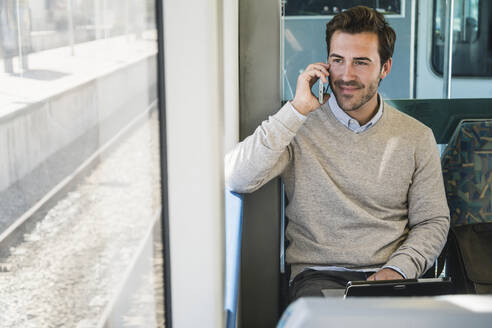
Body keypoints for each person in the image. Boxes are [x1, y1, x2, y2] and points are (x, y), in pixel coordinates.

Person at [225, 6, 449, 301]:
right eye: (337, 60)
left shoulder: (416, 137)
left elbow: (433, 221)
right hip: (317, 276)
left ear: (385, 68)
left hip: (390, 277)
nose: (346, 75)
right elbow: (236, 177)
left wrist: (398, 270)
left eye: (361, 63)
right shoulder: (297, 126)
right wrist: (296, 110)